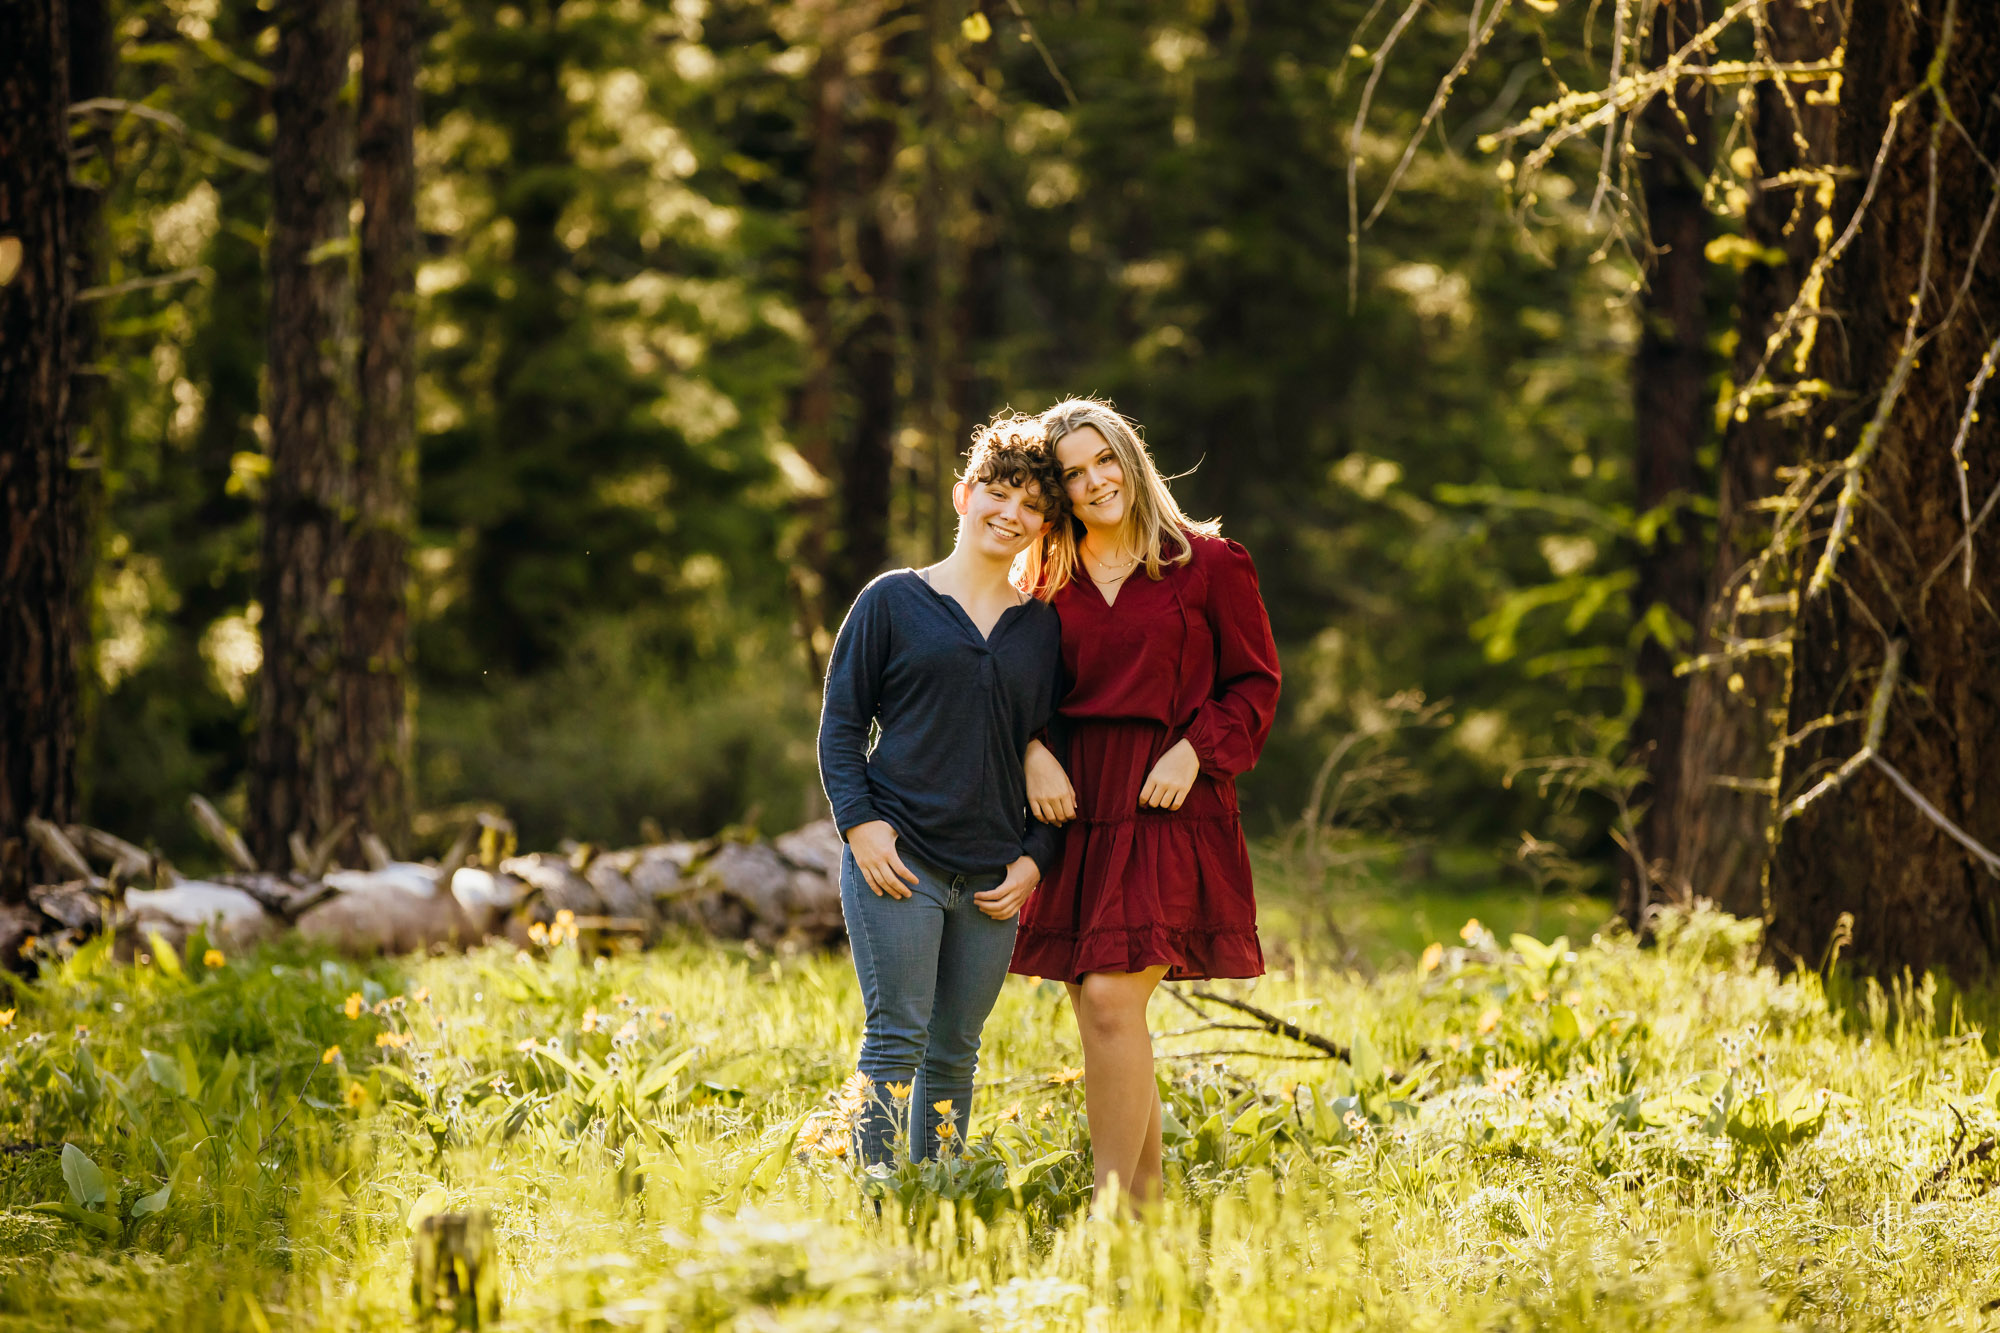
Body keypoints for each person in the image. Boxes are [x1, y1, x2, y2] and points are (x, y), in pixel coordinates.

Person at [1012, 396, 1281, 1208]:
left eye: (1104, 460)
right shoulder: (1043, 583)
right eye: (1073, 474)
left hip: (1171, 807)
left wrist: (1196, 750)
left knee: (1108, 1000)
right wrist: (1030, 753)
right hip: (1075, 813)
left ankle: (1107, 1218)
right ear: (1059, 494)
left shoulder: (1208, 562)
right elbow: (1009, 691)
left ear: (1130, 456)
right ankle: (1148, 1212)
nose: (1095, 482)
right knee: (1107, 1022)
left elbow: (1255, 683)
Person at [817, 413, 1068, 1165]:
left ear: (1043, 526)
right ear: (965, 494)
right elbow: (839, 728)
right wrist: (860, 825)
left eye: (1031, 507)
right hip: (902, 860)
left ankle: (940, 1197)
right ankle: (881, 1202)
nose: (1011, 514)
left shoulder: (1043, 630)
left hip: (994, 873)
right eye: (999, 492)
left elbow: (1053, 754)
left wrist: (1035, 859)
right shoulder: (891, 600)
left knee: (957, 1050)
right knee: (897, 1037)